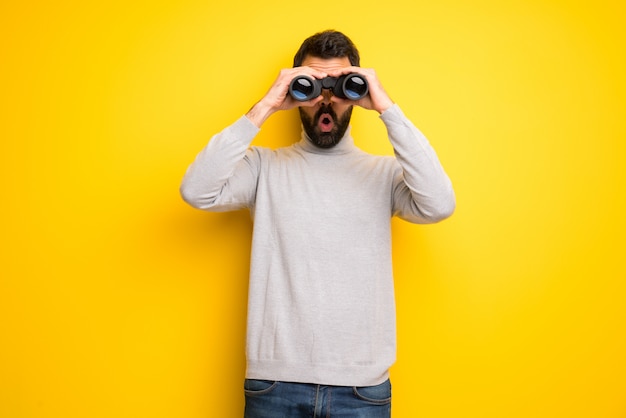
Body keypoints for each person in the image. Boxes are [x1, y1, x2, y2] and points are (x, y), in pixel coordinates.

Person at [180, 30, 455, 418]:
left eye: (342, 87)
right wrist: (265, 106)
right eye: (312, 86)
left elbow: (439, 203)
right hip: (275, 383)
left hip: (362, 388)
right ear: (295, 91)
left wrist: (388, 108)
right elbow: (197, 191)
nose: (327, 100)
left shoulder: (384, 175)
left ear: (358, 93)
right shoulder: (264, 168)